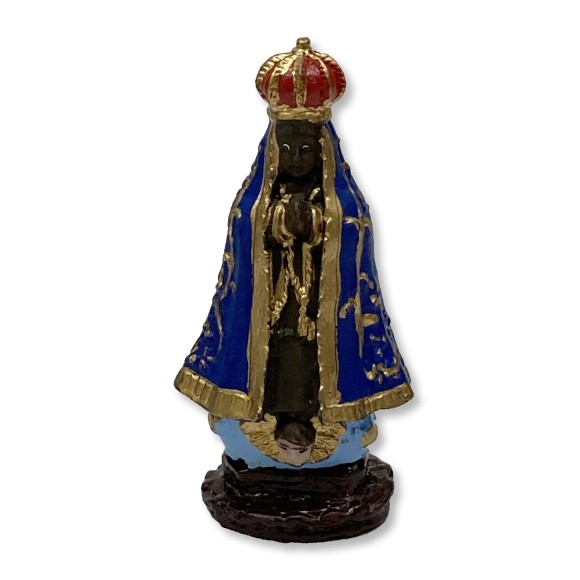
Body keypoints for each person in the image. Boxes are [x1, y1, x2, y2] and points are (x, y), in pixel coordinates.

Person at [175, 38, 413, 468]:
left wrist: (319, 223)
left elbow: (353, 232)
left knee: (309, 369)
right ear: (271, 151)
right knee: (278, 370)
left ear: (323, 151)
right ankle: (272, 423)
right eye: (286, 150)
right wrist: (277, 220)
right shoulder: (257, 198)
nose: (297, 160)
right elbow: (244, 230)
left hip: (319, 315)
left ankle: (317, 424)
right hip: (274, 314)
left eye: (306, 150)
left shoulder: (342, 200)